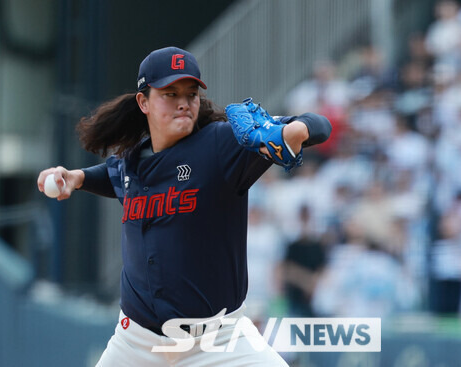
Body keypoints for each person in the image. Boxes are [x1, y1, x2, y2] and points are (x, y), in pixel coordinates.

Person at [36, 46, 331, 366]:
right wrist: (77, 177)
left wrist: (294, 131)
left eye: (190, 94)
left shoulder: (222, 144)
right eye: (169, 93)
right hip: (136, 342)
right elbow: (115, 176)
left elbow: (319, 125)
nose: (182, 102)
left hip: (219, 341)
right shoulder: (133, 158)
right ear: (143, 102)